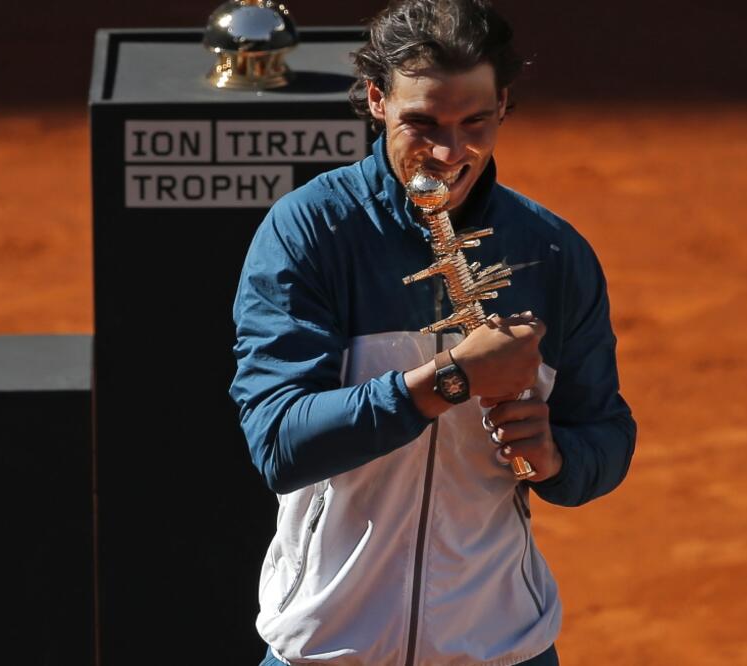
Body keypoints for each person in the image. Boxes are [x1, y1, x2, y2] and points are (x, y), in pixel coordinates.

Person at [229, 0, 636, 664]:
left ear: (504, 104)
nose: (450, 152)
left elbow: (606, 431)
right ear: (375, 100)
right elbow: (280, 442)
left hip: (502, 647)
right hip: (330, 649)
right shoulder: (310, 235)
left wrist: (558, 457)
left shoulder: (554, 254)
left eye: (476, 121)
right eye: (423, 123)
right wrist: (448, 382)